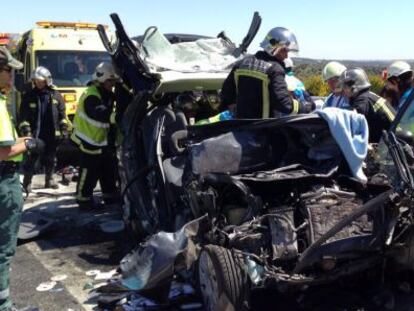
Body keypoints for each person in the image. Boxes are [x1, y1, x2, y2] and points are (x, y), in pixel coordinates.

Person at [0, 46, 44, 311]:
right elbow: (3, 151)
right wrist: (28, 144)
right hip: (3, 182)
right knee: (3, 249)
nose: (12, 77)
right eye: (8, 71)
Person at [220, 27, 314, 119]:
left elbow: (225, 93)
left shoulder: (240, 64)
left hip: (241, 127)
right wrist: (305, 106)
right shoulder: (275, 69)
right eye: (284, 50)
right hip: (263, 129)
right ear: (273, 46)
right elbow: (284, 104)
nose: (286, 56)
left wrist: (237, 110)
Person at [71, 62, 121, 209]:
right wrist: (118, 117)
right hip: (88, 141)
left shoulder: (106, 93)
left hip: (101, 141)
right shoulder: (91, 95)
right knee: (89, 171)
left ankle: (110, 195)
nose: (113, 85)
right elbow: (100, 113)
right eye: (112, 82)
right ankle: (83, 200)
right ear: (104, 80)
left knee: (108, 169)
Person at [19, 66, 68, 192]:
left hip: (51, 133)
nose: (38, 83)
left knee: (51, 158)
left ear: (47, 80)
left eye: (40, 81)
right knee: (31, 159)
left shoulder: (56, 95)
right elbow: (23, 116)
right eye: (36, 81)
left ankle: (49, 180)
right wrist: (27, 132)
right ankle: (27, 183)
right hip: (35, 134)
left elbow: (62, 114)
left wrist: (64, 128)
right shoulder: (29, 96)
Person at [340, 67, 395, 143]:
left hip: (389, 146)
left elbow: (352, 124)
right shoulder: (368, 96)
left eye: (345, 86)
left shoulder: (362, 101)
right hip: (390, 141)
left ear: (354, 87)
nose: (343, 90)